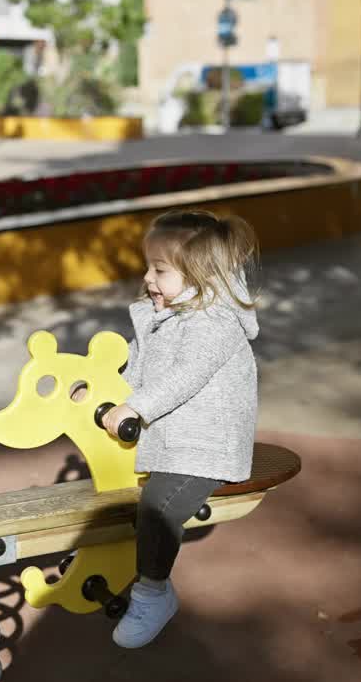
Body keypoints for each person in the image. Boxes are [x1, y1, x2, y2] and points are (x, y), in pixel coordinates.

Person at [99, 209, 260, 649]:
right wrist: (97, 388)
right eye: (149, 266)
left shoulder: (214, 323)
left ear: (200, 276)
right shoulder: (161, 316)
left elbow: (185, 375)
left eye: (160, 269)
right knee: (109, 483)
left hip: (207, 446)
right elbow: (134, 368)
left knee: (159, 505)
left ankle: (153, 592)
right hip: (170, 443)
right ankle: (108, 551)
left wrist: (135, 406)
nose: (148, 277)